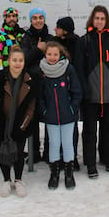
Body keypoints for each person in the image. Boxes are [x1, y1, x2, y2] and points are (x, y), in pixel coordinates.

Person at [76, 5, 109, 178]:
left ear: (106, 21)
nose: (99, 21)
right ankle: (91, 164)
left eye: (102, 18)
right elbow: (79, 69)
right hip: (91, 96)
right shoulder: (84, 41)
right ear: (92, 19)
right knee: (90, 131)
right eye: (96, 18)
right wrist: (85, 91)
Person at [0, 46, 39, 198]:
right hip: (1, 123)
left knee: (19, 152)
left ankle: (19, 179)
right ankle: (6, 179)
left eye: (20, 60)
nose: (17, 63)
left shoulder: (29, 79)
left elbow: (31, 107)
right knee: (3, 151)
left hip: (20, 123)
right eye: (14, 60)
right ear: (8, 61)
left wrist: (23, 125)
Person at [38, 41, 82, 189]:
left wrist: (72, 109)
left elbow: (76, 91)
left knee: (68, 143)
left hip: (67, 116)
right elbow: (40, 96)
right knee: (54, 144)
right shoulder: (42, 71)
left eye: (55, 54)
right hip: (51, 117)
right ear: (45, 55)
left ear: (60, 54)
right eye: (49, 54)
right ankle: (54, 173)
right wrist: (44, 111)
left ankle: (69, 174)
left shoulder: (68, 69)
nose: (52, 57)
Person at [20, 8, 53, 163]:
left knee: (49, 119)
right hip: (32, 85)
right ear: (30, 20)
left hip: (49, 85)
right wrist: (37, 50)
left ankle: (48, 152)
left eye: (41, 17)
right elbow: (23, 60)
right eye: (35, 18)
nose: (38, 20)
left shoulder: (51, 37)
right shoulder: (26, 38)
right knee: (32, 120)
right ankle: (34, 152)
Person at [53, 16, 81, 170]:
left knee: (72, 125)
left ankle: (72, 157)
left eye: (58, 27)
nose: (55, 29)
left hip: (71, 88)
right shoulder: (53, 42)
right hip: (56, 89)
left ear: (64, 29)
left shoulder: (76, 43)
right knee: (57, 125)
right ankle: (58, 156)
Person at [0, 7, 25, 73]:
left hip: (21, 75)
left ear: (17, 18)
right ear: (5, 19)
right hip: (6, 75)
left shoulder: (21, 36)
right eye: (9, 16)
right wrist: (0, 76)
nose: (11, 18)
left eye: (14, 16)